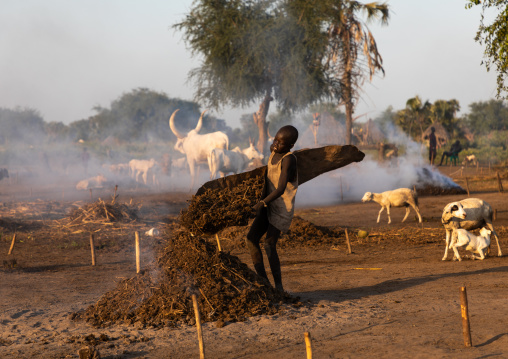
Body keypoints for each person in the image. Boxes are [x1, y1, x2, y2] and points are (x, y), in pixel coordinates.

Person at [247, 125, 299, 292]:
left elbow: (281, 188)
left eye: (281, 143)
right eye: (275, 140)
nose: (276, 145)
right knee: (251, 239)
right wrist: (262, 202)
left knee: (269, 244)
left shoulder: (289, 159)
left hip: (282, 207)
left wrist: (261, 204)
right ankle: (264, 282)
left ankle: (278, 287)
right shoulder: (273, 150)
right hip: (268, 203)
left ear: (290, 146)